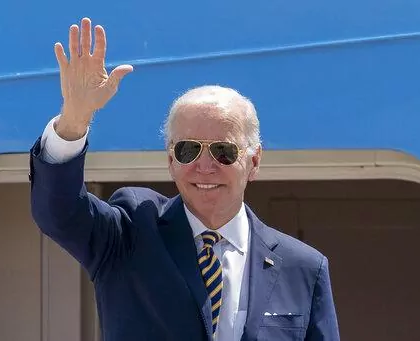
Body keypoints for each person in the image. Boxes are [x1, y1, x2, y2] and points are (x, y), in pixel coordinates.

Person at [29, 17, 340, 341]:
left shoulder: (303, 268)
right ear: (170, 160)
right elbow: (59, 213)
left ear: (254, 160)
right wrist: (74, 120)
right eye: (188, 150)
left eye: (223, 151)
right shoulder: (131, 232)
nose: (204, 166)